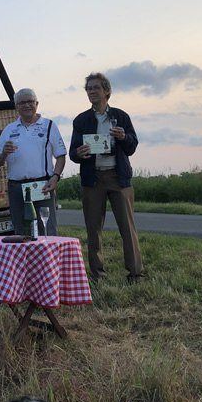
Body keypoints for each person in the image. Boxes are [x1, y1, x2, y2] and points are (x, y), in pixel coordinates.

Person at [68, 72, 144, 283]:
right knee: (94, 229)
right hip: (93, 179)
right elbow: (73, 153)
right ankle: (98, 274)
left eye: (96, 88)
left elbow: (132, 147)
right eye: (89, 88)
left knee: (127, 228)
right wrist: (80, 153)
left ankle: (135, 273)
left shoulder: (121, 116)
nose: (92, 91)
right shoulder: (81, 120)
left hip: (119, 178)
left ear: (107, 91)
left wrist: (123, 137)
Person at [0, 88, 66, 236]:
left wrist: (55, 177)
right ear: (16, 107)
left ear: (37, 103)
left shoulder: (49, 125)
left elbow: (61, 155)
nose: (26, 105)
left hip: (42, 185)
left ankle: (47, 259)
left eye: (30, 102)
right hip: (17, 188)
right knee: (22, 233)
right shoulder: (9, 129)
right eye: (22, 103)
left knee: (47, 230)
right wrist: (3, 153)